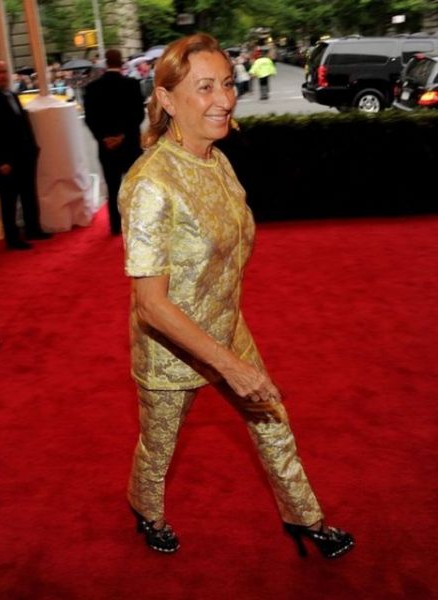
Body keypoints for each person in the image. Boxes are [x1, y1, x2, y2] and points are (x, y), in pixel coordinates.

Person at [118, 34, 354, 559]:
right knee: (159, 446)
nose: (224, 99)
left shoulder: (217, 161)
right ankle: (146, 509)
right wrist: (230, 366)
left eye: (227, 83)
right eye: (205, 87)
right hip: (170, 349)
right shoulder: (150, 184)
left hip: (226, 325)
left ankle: (304, 518)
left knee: (273, 422)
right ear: (166, 99)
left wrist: (231, 350)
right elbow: (151, 304)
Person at [84, 49, 144, 235]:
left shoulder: (92, 88)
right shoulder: (132, 85)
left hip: (106, 147)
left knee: (112, 187)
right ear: (121, 62)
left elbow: (90, 118)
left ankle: (115, 225)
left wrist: (104, 138)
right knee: (135, 186)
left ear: (106, 62)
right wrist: (123, 135)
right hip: (130, 145)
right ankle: (138, 222)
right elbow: (138, 115)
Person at [0, 60, 52, 250]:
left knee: (29, 194)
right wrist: (1, 161)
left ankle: (33, 228)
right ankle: (12, 238)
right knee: (9, 200)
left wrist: (33, 148)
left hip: (25, 155)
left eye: (4, 71)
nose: (3, 76)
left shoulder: (12, 95)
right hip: (7, 161)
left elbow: (21, 125)